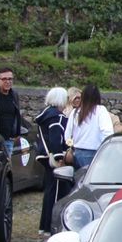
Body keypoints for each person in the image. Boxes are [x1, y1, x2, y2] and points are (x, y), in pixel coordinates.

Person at [33, 86, 71, 232]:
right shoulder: (57, 117)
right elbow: (56, 138)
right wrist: (59, 157)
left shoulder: (46, 114)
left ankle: (45, 225)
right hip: (53, 157)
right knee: (56, 192)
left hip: (44, 155)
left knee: (49, 191)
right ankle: (51, 226)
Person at [64, 83, 112, 176]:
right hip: (95, 153)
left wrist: (72, 146)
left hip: (77, 153)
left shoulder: (75, 112)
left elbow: (67, 136)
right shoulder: (100, 110)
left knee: (79, 180)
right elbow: (107, 133)